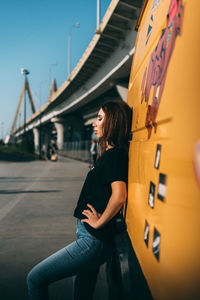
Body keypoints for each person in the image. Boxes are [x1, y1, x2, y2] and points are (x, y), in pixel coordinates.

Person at [27, 100, 132, 300]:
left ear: (114, 123)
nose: (94, 123)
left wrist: (99, 221)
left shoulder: (115, 156)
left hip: (93, 240)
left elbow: (120, 196)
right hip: (88, 236)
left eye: (100, 119)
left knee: (35, 278)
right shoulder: (108, 155)